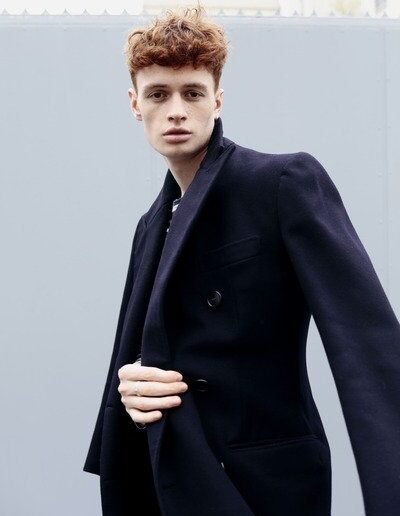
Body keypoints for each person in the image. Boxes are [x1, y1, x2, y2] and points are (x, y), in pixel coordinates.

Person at [83, 4, 400, 516]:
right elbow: (142, 348)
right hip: (178, 474)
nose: (177, 110)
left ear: (217, 99)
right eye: (159, 94)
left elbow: (366, 341)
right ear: (135, 104)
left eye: (192, 93)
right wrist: (133, 388)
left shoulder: (282, 183)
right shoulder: (151, 224)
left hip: (264, 482)